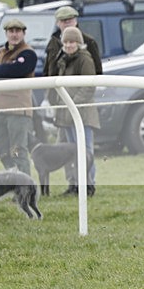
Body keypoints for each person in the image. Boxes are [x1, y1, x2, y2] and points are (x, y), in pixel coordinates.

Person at [47, 27, 100, 196]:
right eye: (66, 42)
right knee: (72, 152)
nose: (69, 45)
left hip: (82, 114)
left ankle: (89, 185)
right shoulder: (63, 59)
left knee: (85, 151)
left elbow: (88, 86)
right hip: (67, 114)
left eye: (72, 42)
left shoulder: (85, 59)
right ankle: (75, 185)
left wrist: (72, 104)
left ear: (79, 43)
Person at [0, 19, 37, 175]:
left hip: (18, 110)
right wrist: (4, 69)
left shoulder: (28, 53)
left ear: (23, 33)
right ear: (6, 33)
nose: (14, 34)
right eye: (11, 31)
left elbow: (18, 71)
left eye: (17, 31)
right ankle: (15, 181)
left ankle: (26, 189)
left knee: (18, 150)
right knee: (2, 151)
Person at [43, 6, 103, 78]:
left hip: (78, 86)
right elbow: (47, 69)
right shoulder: (53, 42)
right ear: (57, 23)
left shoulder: (88, 41)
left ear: (76, 21)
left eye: (70, 20)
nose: (67, 23)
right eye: (63, 20)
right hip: (55, 85)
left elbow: (98, 69)